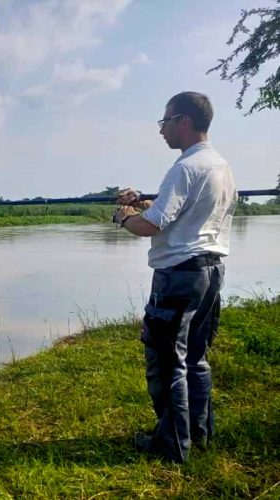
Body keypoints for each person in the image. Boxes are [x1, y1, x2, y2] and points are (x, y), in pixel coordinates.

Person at [113, 91, 237, 463]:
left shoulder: (185, 167)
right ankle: (197, 433)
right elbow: (182, 216)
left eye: (164, 122)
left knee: (168, 360)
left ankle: (170, 446)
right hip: (210, 272)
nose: (161, 130)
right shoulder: (220, 166)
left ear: (183, 121)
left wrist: (123, 216)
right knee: (195, 357)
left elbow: (151, 226)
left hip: (179, 275)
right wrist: (146, 205)